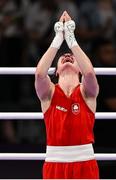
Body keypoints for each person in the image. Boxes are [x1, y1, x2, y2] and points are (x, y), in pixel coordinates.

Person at [35, 11, 99, 179]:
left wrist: (71, 39)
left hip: (85, 161)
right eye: (62, 56)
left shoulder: (87, 93)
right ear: (55, 71)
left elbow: (90, 74)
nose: (67, 56)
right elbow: (40, 74)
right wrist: (58, 39)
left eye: (72, 57)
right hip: (55, 162)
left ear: (80, 69)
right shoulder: (49, 93)